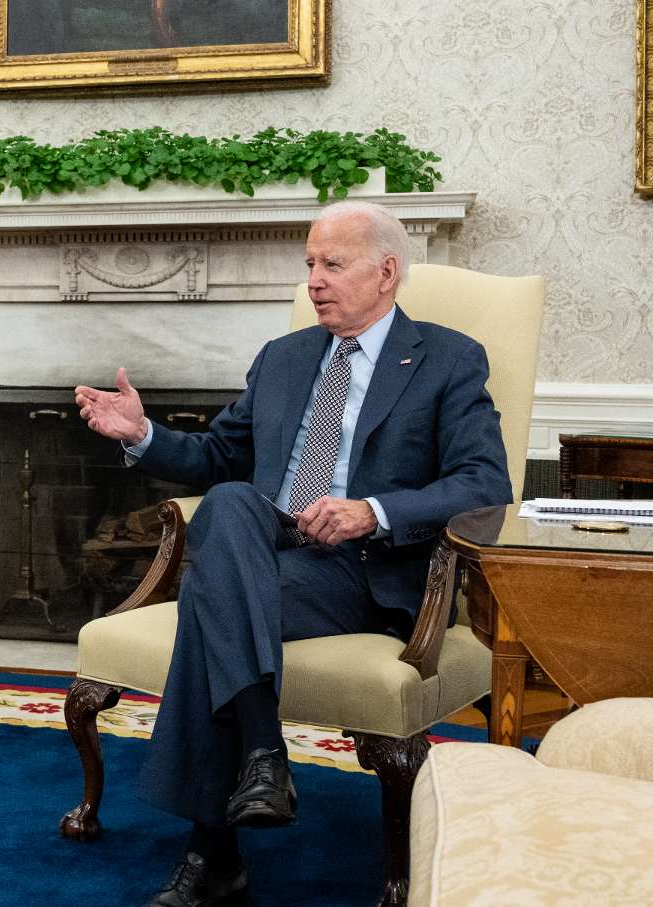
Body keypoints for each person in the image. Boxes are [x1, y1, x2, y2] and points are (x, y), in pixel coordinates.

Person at [74, 201, 512, 906]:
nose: (313, 280)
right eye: (310, 263)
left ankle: (212, 850)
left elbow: (484, 481)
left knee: (213, 601)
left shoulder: (448, 358)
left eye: (332, 264)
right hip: (271, 548)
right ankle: (263, 752)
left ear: (387, 273)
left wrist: (370, 511)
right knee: (234, 502)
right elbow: (221, 456)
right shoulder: (284, 357)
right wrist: (143, 433)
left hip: (366, 569)